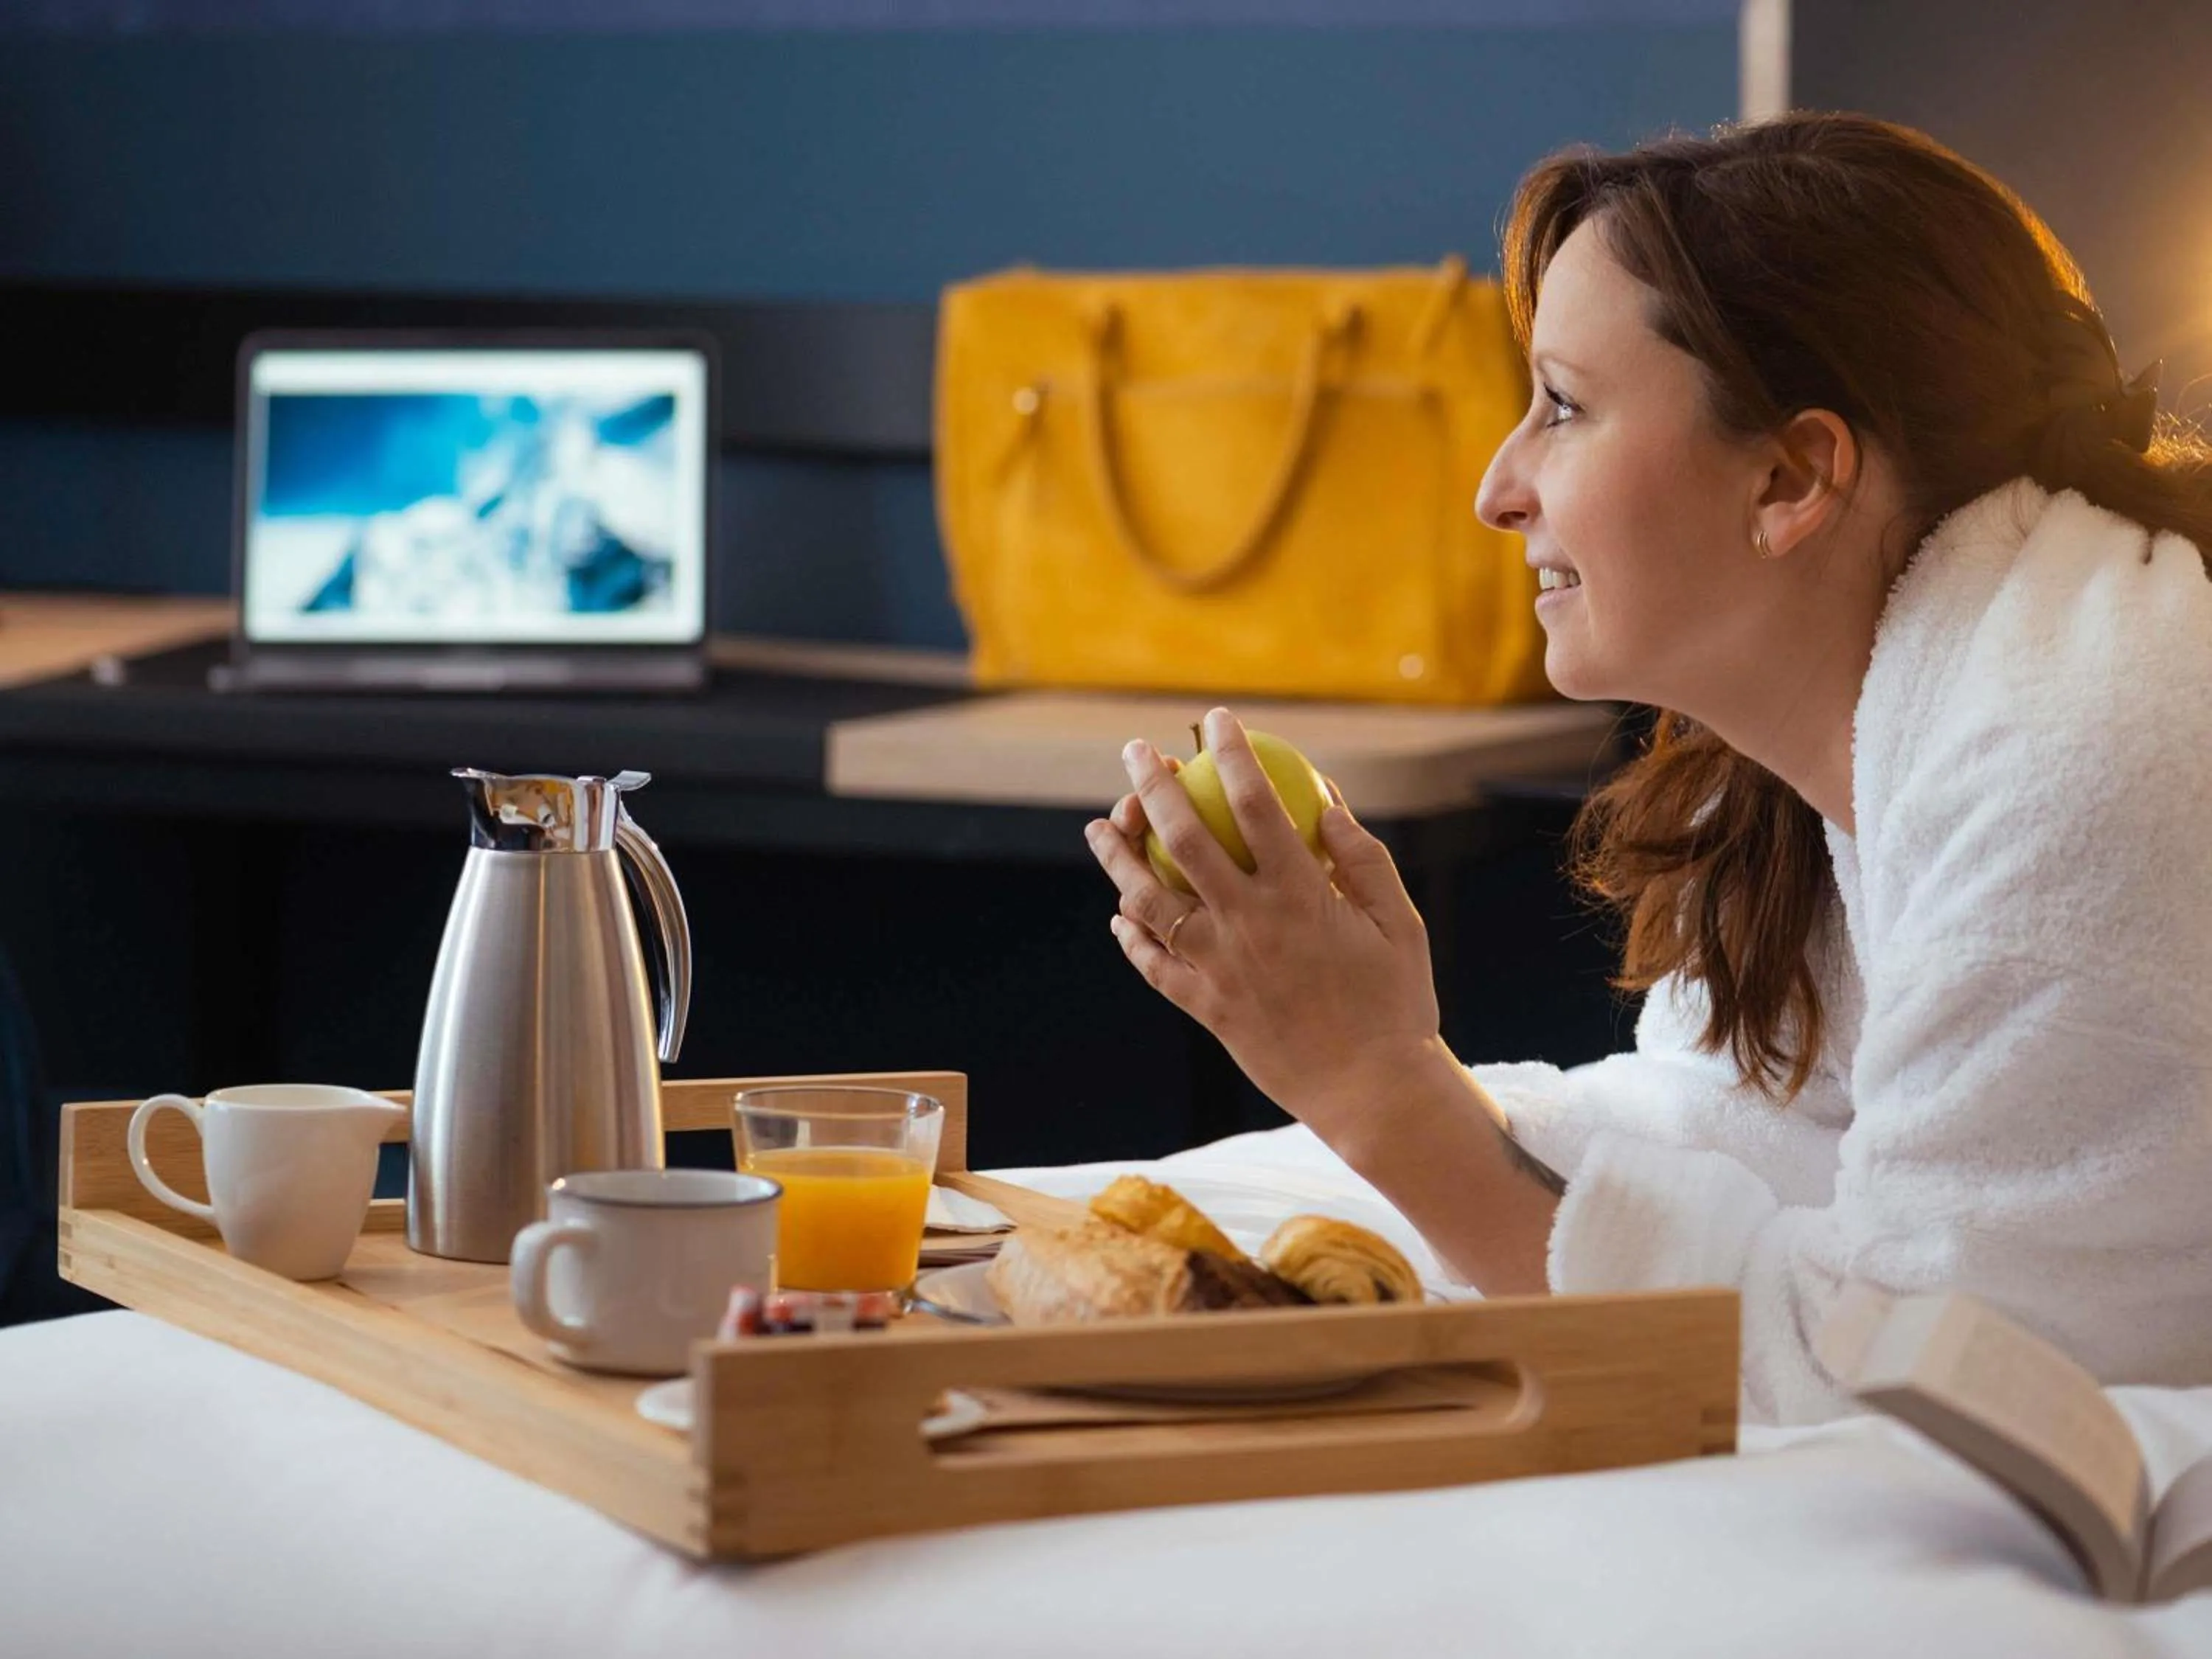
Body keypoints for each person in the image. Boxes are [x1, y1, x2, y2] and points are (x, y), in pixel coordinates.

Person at [1084, 111, 2212, 1425]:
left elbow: (1910, 1381)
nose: (1497, 489)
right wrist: (1377, 1055)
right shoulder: (1809, 761)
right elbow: (1732, 1138)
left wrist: (1375, 1088)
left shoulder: (2075, 755)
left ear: (1790, 477)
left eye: (1563, 406)